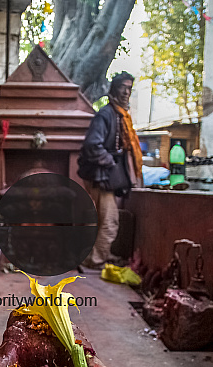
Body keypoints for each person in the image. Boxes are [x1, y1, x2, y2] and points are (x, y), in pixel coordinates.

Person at [77, 72, 143, 269]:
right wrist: (111, 163)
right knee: (110, 222)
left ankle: (98, 255)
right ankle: (95, 261)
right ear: (114, 89)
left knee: (102, 220)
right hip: (100, 177)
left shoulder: (119, 115)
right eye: (123, 87)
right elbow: (92, 145)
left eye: (130, 88)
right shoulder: (106, 114)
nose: (126, 92)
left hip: (104, 177)